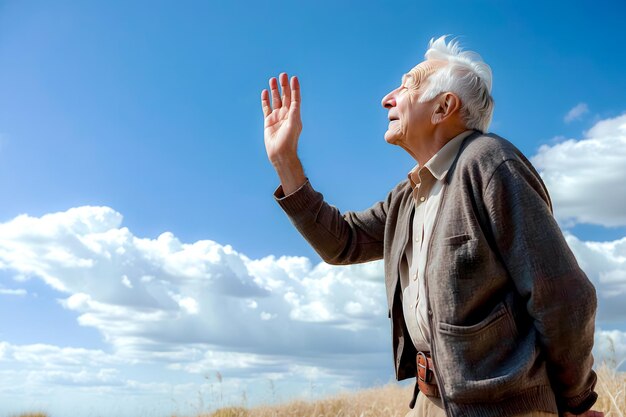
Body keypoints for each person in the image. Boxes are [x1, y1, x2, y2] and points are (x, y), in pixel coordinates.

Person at [260, 36, 603, 417]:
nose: (387, 99)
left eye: (407, 85)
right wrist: (285, 161)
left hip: (501, 408)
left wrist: (575, 401)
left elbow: (563, 296)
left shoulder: (489, 162)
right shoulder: (409, 195)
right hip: (430, 402)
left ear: (444, 107)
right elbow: (343, 242)